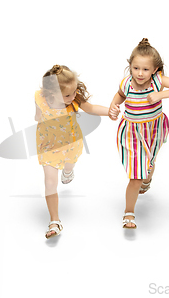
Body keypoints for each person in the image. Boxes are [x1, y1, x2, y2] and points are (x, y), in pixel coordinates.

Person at [108, 39, 169, 229]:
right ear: (130, 66)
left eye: (145, 69)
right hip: (131, 133)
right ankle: (129, 212)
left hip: (154, 130)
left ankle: (147, 179)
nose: (140, 73)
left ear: (155, 70)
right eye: (136, 68)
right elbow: (120, 95)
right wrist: (113, 106)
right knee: (136, 177)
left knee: (149, 165)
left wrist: (161, 94)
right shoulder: (127, 82)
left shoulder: (158, 81)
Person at [35, 64, 117, 238]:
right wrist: (38, 117)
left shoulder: (74, 99)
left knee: (69, 165)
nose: (73, 96)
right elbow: (38, 113)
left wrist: (109, 112)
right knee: (50, 183)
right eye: (68, 94)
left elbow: (91, 108)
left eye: (74, 92)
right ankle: (54, 221)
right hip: (48, 145)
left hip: (71, 143)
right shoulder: (39, 97)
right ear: (51, 93)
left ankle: (68, 171)